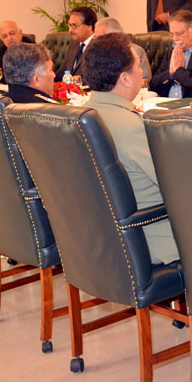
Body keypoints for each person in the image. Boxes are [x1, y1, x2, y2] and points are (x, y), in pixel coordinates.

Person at [79, 33, 178, 265]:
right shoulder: (131, 128)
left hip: (99, 240)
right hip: (149, 240)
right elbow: (178, 187)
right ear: (124, 79)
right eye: (138, 67)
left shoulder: (79, 118)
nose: (142, 73)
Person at [94, 17, 151, 81]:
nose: (96, 41)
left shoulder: (136, 52)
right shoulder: (98, 53)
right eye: (95, 37)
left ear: (114, 35)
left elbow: (144, 81)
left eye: (99, 37)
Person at [56, 6, 96, 77]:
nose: (70, 30)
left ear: (89, 26)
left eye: (74, 25)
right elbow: (62, 73)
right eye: (70, 25)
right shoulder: (74, 45)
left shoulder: (97, 47)